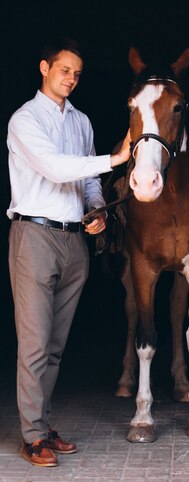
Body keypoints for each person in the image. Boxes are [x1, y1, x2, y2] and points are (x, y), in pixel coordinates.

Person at [7, 37, 131, 467]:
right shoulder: (25, 120)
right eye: (64, 70)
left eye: (78, 74)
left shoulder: (81, 121)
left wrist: (97, 211)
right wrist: (115, 158)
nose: (72, 79)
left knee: (56, 346)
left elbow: (86, 183)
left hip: (73, 240)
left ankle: (40, 425)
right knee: (35, 345)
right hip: (35, 237)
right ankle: (32, 436)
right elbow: (57, 168)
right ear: (44, 67)